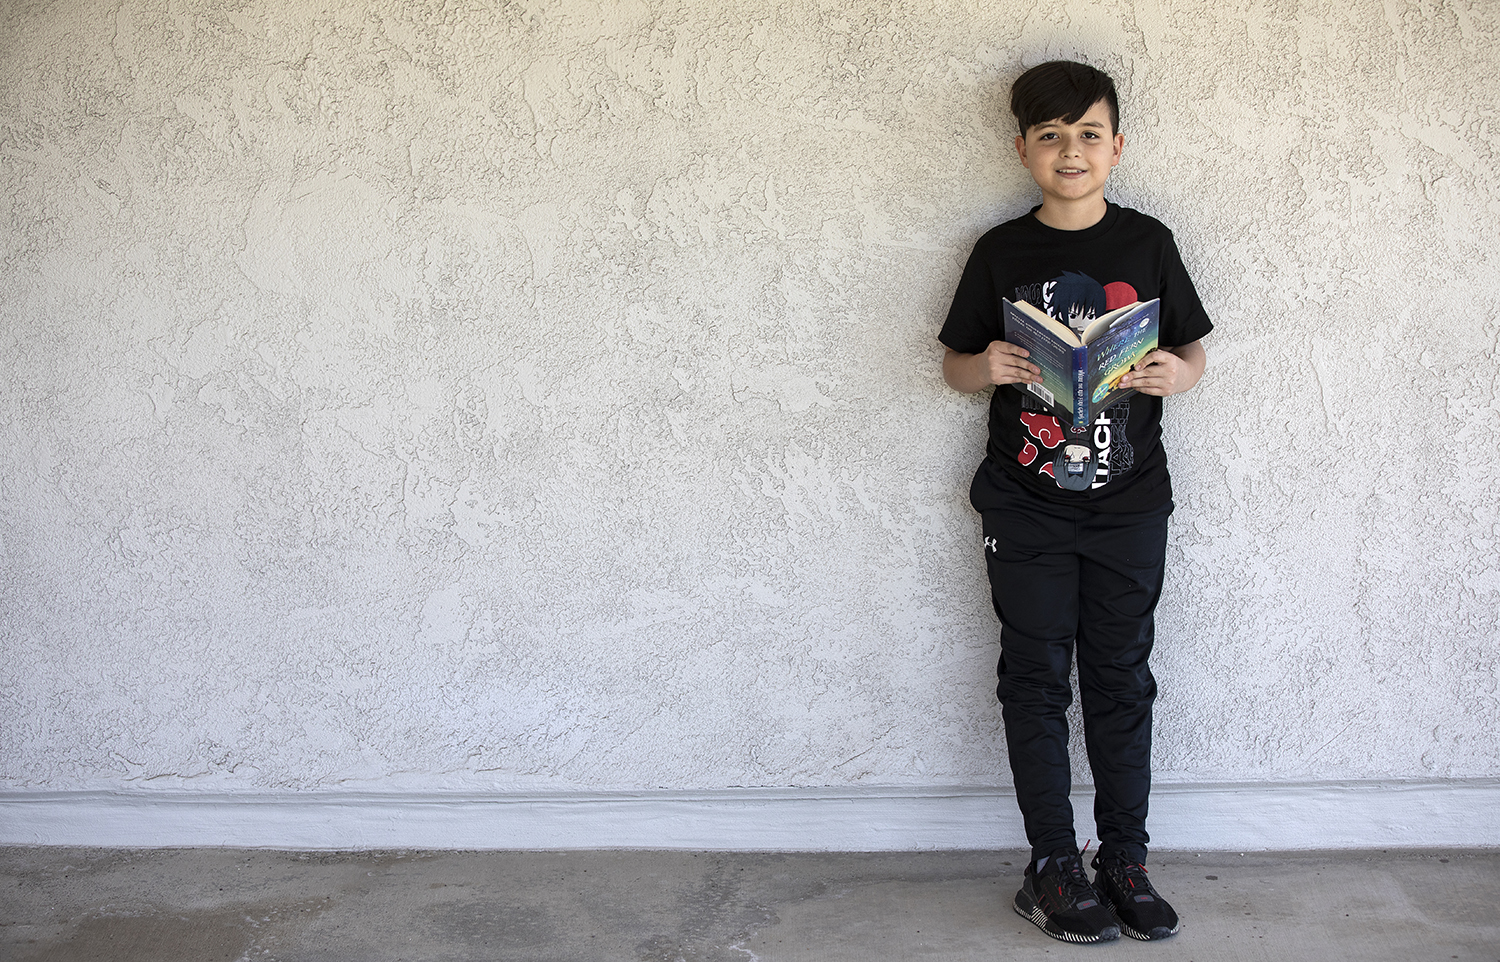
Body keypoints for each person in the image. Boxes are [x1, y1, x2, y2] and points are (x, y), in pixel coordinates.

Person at [938, 60, 1212, 944]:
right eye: (1050, 135)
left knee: (1123, 680)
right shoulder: (1000, 252)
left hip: (1131, 504)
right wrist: (981, 369)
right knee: (1035, 677)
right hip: (1025, 505)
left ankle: (1123, 860)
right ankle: (1053, 864)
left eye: (1087, 133)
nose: (1070, 150)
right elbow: (953, 364)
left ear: (1116, 146)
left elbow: (1193, 351)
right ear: (1021, 148)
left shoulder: (1148, 244)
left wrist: (1181, 371)